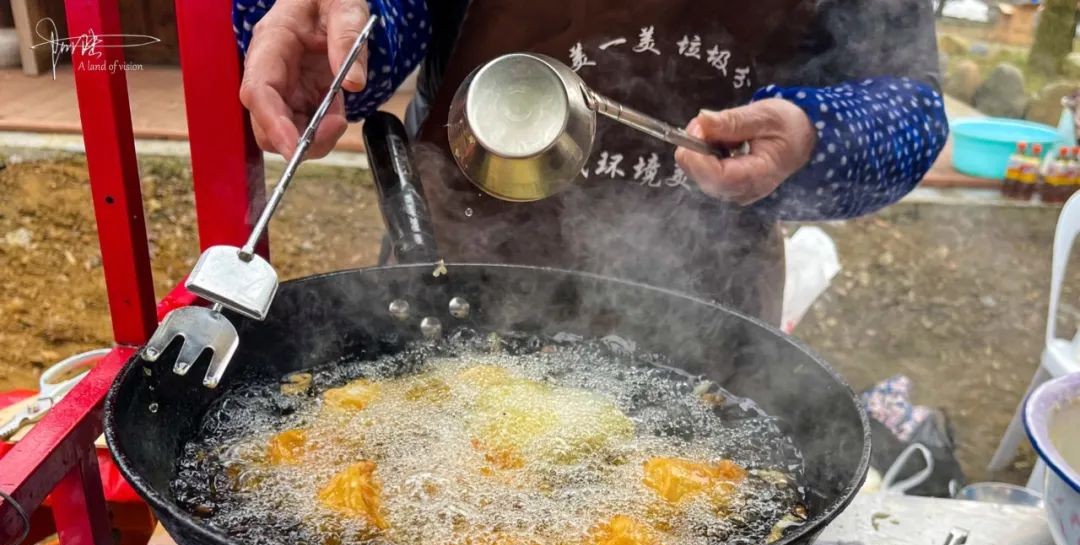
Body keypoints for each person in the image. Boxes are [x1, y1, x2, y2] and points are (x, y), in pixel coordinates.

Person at [233, 0, 947, 324]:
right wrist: (338, 33)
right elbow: (393, 11)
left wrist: (817, 131)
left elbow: (912, 106)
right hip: (458, 271)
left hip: (704, 308)